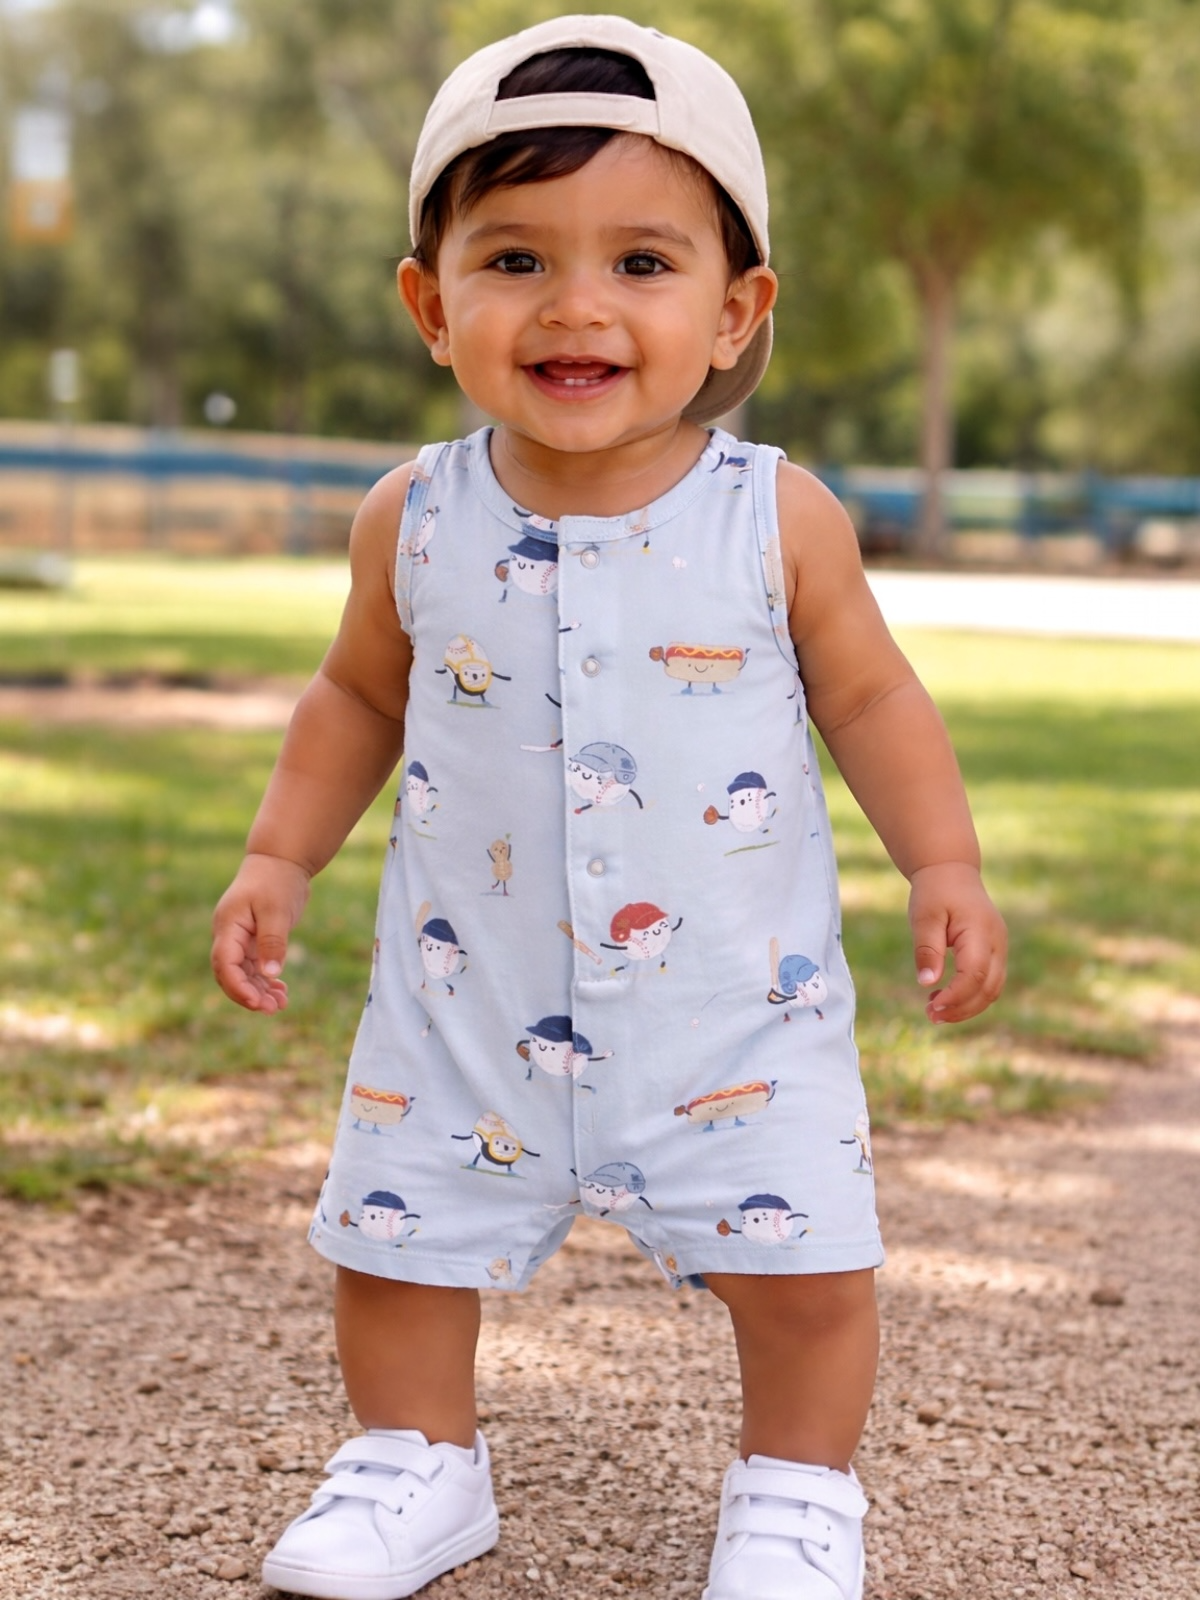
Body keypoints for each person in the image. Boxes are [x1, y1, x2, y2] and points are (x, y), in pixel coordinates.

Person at [211, 15, 1007, 1600]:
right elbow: (358, 697)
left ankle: (794, 1492)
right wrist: (276, 854)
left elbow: (871, 699)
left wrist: (947, 859)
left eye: (643, 261)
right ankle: (415, 1461)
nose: (577, 303)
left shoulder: (774, 516)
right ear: (433, 306)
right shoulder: (411, 518)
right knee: (397, 1242)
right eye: (514, 259)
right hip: (465, 1001)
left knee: (805, 1272)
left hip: (735, 1013)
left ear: (737, 310)